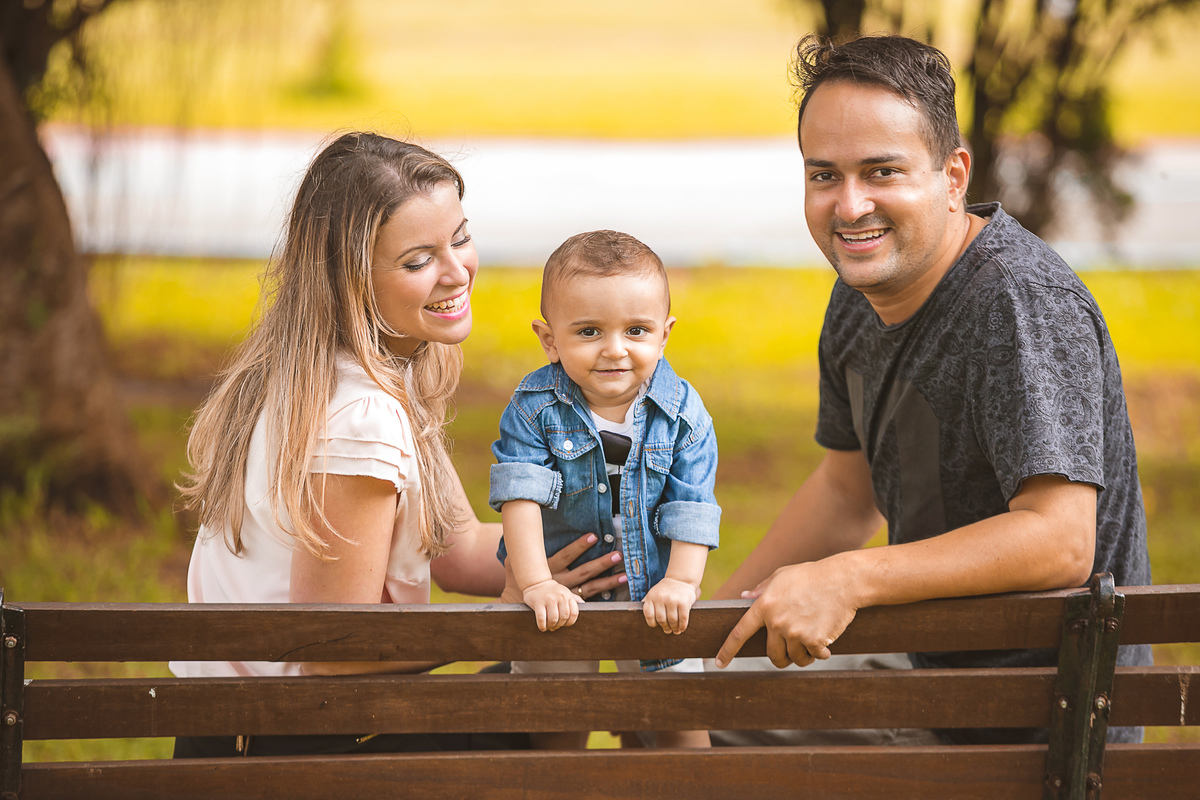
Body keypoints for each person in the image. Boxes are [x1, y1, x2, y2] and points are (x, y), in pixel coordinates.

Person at [713, 34, 1151, 746]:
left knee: (699, 742)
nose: (850, 207)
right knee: (678, 710)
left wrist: (849, 579)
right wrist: (712, 636)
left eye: (881, 171)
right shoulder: (861, 292)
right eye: (824, 176)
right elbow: (848, 493)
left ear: (953, 177)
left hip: (1034, 723)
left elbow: (1060, 538)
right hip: (934, 672)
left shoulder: (1017, 303)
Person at [169, 132, 624, 758]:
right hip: (286, 754)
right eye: (417, 261)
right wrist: (498, 621)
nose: (457, 270)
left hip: (276, 729)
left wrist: (579, 548)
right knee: (557, 696)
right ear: (350, 279)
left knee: (561, 678)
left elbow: (459, 545)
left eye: (460, 238)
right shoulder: (361, 416)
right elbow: (332, 654)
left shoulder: (350, 373)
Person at [489, 230, 720, 748]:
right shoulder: (535, 409)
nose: (615, 350)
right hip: (561, 594)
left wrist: (682, 582)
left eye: (636, 330)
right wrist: (534, 584)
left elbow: (692, 505)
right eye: (590, 331)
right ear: (549, 339)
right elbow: (519, 497)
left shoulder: (682, 413)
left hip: (654, 593)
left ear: (665, 333)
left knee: (680, 725)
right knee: (556, 724)